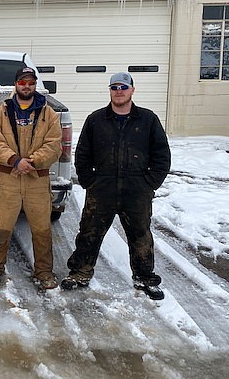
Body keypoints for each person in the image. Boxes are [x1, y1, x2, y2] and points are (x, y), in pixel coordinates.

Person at [61, 72, 171, 300]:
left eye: (123, 87)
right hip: (102, 189)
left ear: (132, 90)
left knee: (140, 235)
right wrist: (89, 180)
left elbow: (162, 155)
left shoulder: (148, 120)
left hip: (136, 190)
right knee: (89, 233)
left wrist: (150, 184)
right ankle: (80, 272)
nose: (118, 91)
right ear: (109, 91)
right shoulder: (96, 120)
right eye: (114, 87)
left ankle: (144, 277)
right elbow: (82, 154)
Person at [0, 67, 62, 292]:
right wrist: (15, 160)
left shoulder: (49, 114)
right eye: (22, 82)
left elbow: (54, 145)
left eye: (30, 82)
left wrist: (32, 162)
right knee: (3, 226)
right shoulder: (1, 112)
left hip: (37, 178)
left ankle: (44, 271)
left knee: (41, 228)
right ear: (15, 84)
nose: (26, 86)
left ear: (35, 85)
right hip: (9, 178)